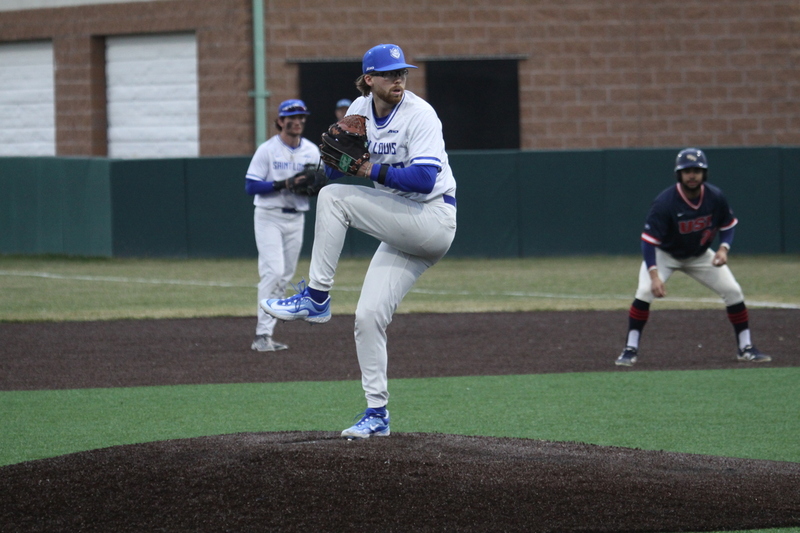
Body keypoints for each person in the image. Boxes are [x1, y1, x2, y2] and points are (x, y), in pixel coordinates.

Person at [260, 44, 457, 439]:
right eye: (389, 74)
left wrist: (365, 168)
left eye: (402, 72)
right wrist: (326, 169)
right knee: (367, 318)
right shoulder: (359, 110)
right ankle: (377, 414)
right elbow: (335, 171)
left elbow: (423, 180)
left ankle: (316, 298)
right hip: (402, 224)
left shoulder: (421, 114)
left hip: (433, 219)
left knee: (337, 202)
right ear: (370, 79)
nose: (399, 79)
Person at [615, 148, 772, 366]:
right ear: (678, 174)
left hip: (699, 255)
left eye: (697, 170)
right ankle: (630, 348)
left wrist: (723, 249)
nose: (692, 175)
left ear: (704, 173)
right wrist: (654, 276)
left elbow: (728, 226)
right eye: (687, 170)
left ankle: (745, 347)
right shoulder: (665, 202)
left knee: (733, 291)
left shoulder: (715, 196)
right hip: (665, 255)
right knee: (643, 292)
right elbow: (648, 242)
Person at [245, 99, 321, 352]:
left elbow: (320, 182)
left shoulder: (311, 151)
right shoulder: (267, 150)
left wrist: (314, 185)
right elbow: (251, 186)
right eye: (292, 117)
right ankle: (260, 334)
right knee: (273, 272)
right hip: (269, 215)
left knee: (284, 276)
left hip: (296, 217)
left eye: (301, 117)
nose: (297, 121)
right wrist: (283, 184)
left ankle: (266, 335)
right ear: (280, 121)